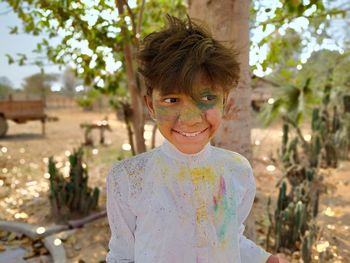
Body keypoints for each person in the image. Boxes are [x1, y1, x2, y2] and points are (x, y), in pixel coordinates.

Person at [106, 14, 288, 263]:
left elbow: (229, 239)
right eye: (171, 100)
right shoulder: (127, 178)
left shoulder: (236, 170)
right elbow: (122, 255)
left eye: (206, 99)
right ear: (150, 105)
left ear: (225, 102)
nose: (190, 119)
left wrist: (261, 258)